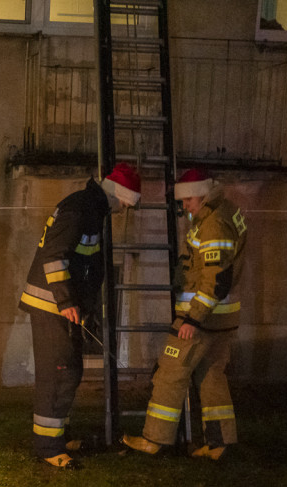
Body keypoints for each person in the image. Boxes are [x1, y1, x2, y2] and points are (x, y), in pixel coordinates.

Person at [19, 163, 142, 469]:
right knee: (58, 374)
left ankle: (59, 435)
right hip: (52, 306)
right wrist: (66, 301)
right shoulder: (81, 208)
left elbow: (84, 265)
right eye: (127, 201)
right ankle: (48, 447)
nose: (125, 208)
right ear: (118, 193)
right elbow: (54, 256)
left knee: (69, 372)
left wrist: (81, 306)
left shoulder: (91, 208)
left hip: (62, 307)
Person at [122, 168, 249, 460]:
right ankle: (220, 444)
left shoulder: (213, 223)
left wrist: (193, 318)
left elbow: (215, 277)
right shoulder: (225, 212)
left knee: (169, 373)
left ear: (201, 194)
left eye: (188, 201)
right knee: (212, 377)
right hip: (222, 318)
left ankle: (154, 439)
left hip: (201, 318)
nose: (185, 207)